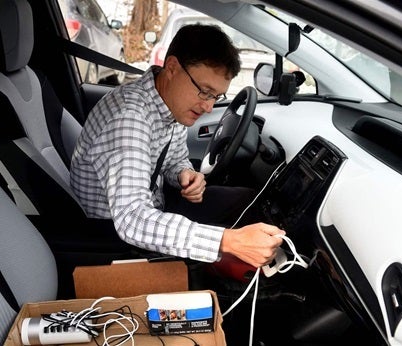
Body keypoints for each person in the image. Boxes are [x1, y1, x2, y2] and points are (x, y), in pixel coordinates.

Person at [70, 24, 284, 269]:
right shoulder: (129, 119)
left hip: (155, 204)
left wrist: (183, 173)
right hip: (115, 239)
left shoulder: (169, 105)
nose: (207, 107)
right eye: (205, 91)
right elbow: (133, 220)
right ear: (171, 68)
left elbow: (174, 158)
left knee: (246, 199)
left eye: (217, 97)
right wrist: (230, 241)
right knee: (234, 231)